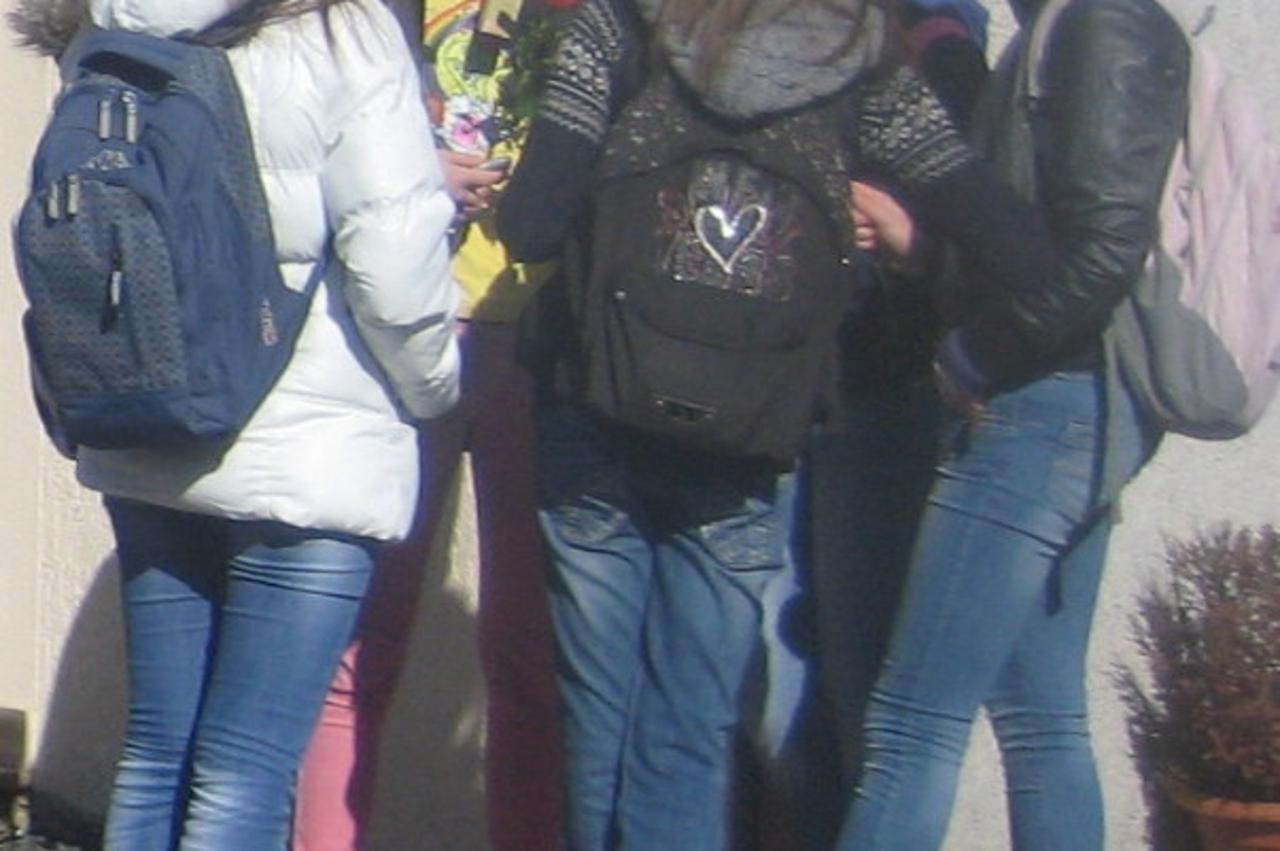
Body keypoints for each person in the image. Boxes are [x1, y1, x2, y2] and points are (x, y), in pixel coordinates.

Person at [494, 0, 1065, 848]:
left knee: (597, 716)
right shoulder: (860, 54)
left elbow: (529, 224)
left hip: (596, 411)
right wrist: (909, 244)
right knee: (690, 733)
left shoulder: (619, 22)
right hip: (747, 434)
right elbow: (1022, 256)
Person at [13, 0, 460, 848]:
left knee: (156, 751)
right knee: (245, 769)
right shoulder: (345, 33)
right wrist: (434, 388)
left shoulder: (117, 20)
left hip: (149, 417)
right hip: (311, 441)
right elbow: (395, 268)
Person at [834, 0, 1191, 848]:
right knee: (1041, 717)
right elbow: (1046, 239)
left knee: (913, 724)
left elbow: (1102, 249)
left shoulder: (1102, 24)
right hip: (1062, 403)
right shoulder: (1069, 25)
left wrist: (974, 356)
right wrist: (927, 249)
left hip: (1042, 406)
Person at [294, 2, 566, 850]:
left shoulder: (588, 16)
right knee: (359, 639)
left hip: (540, 343)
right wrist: (414, 175)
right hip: (409, 330)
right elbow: (312, 138)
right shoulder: (385, 12)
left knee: (528, 653)